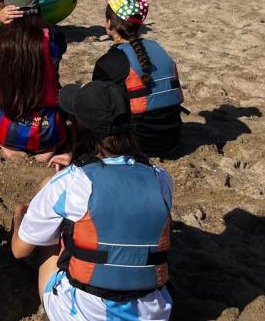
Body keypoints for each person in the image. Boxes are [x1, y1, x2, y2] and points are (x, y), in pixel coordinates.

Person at [10, 81, 173, 320]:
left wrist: (18, 216)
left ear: (78, 127)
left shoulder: (69, 183)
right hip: (152, 314)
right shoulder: (161, 179)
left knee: (52, 237)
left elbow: (19, 250)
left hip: (83, 314)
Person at [0, 0, 68, 162]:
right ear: (37, 10)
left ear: (8, 12)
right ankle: (45, 151)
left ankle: (10, 148)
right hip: (47, 130)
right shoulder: (53, 40)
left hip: (8, 131)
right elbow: (55, 34)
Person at [95, 0, 184, 155]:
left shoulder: (107, 62)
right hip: (172, 138)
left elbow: (100, 108)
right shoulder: (158, 49)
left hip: (139, 144)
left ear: (108, 24)